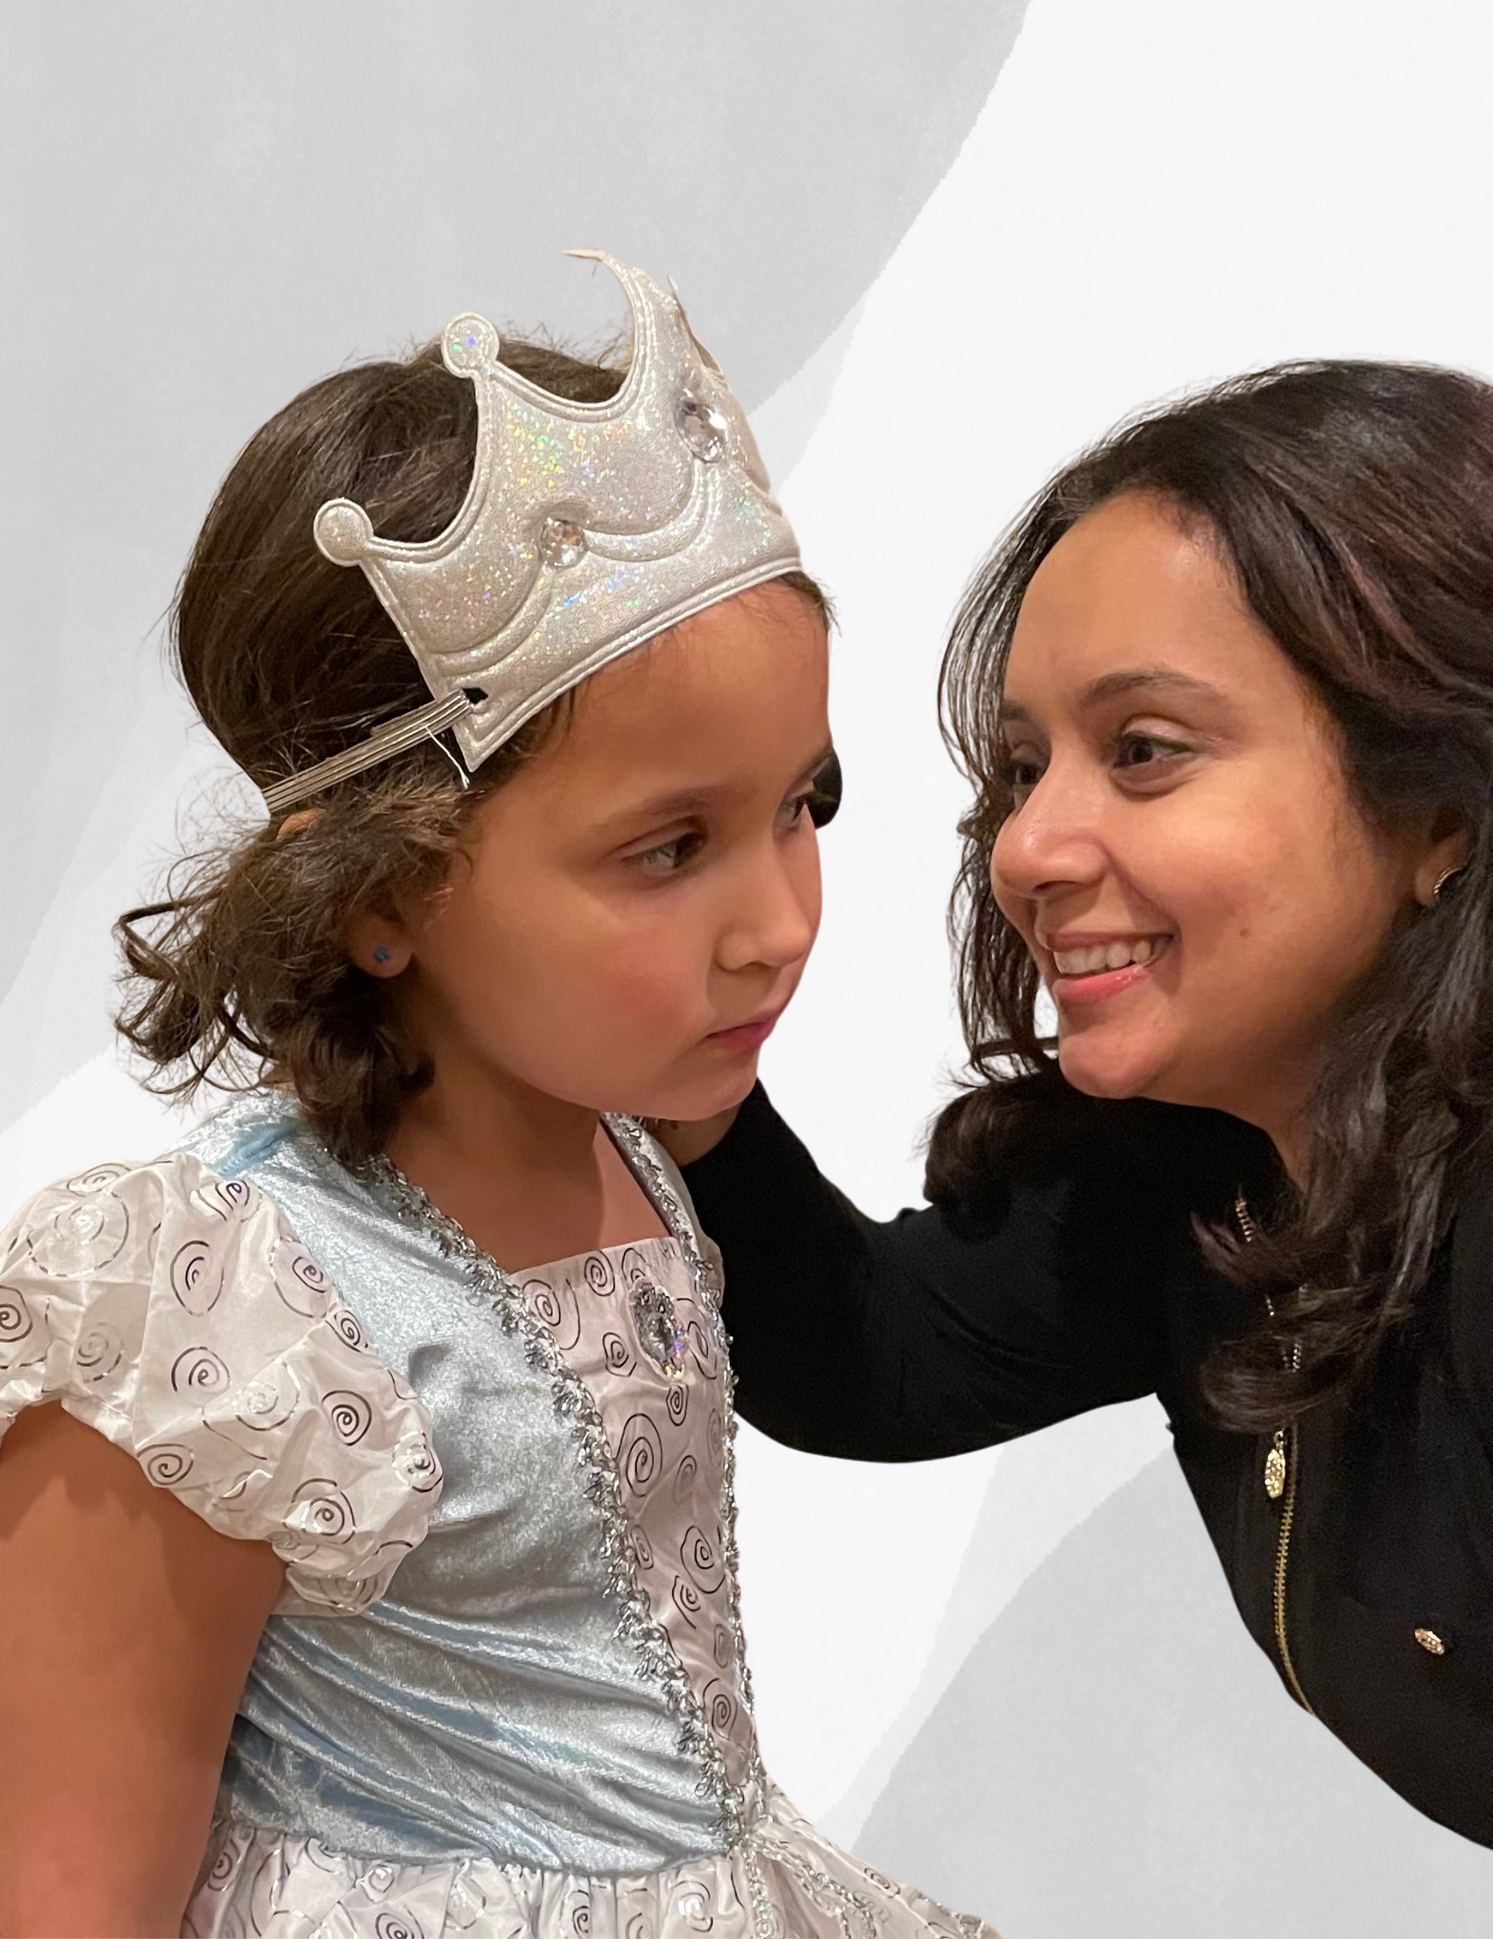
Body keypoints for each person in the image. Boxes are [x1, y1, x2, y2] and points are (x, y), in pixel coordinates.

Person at [666, 362, 1493, 1936]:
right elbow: (873, 1353)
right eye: (1022, 766)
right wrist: (658, 1004)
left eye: (1145, 750)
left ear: (1451, 796)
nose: (1031, 848)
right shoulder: (1229, 1131)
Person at [0, 252, 997, 1939]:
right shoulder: (211, 1324)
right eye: (668, 848)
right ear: (378, 897)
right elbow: (66, 1887)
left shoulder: (641, 1133)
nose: (780, 924)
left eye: (801, 805)